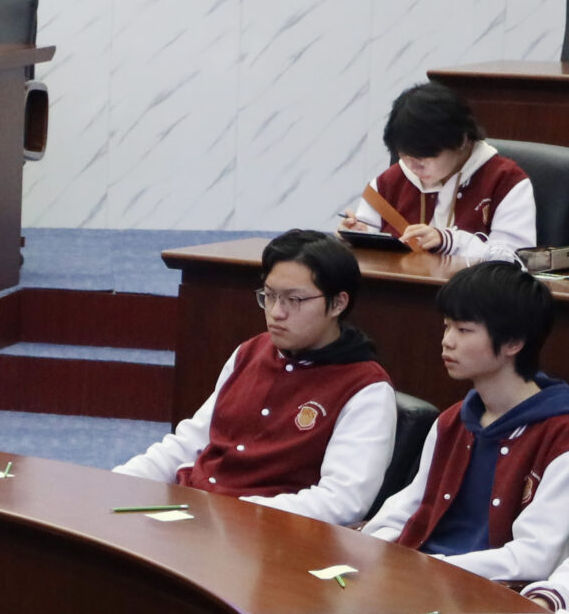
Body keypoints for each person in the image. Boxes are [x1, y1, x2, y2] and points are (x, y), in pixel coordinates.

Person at [112, 230, 395, 525]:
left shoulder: (365, 388)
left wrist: (232, 514)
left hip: (265, 533)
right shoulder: (250, 352)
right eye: (269, 296)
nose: (276, 313)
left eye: (294, 300)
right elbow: (190, 442)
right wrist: (119, 482)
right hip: (194, 513)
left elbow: (343, 501)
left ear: (338, 303)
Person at [364, 261, 569, 581]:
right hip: (421, 575)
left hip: (487, 591)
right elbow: (410, 506)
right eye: (446, 326)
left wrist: (429, 568)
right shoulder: (452, 421)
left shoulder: (560, 435)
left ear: (514, 342)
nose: (447, 340)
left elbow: (534, 556)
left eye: (464, 330)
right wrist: (371, 551)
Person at [339, 83, 535, 265]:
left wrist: (450, 241)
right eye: (404, 156)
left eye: (423, 158)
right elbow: (368, 260)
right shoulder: (389, 183)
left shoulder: (505, 182)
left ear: (462, 140)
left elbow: (515, 260)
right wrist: (359, 236)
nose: (413, 167)